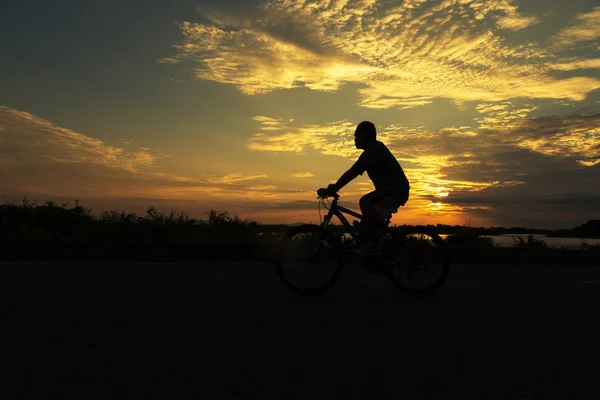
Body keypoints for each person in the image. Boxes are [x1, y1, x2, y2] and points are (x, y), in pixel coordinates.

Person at [323, 121, 410, 255]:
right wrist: (335, 187)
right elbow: (353, 171)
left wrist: (334, 187)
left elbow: (353, 172)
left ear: (367, 135)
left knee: (366, 202)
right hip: (390, 190)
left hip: (395, 190)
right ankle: (371, 240)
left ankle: (372, 244)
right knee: (367, 212)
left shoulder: (374, 150)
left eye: (357, 136)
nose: (355, 140)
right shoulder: (372, 150)